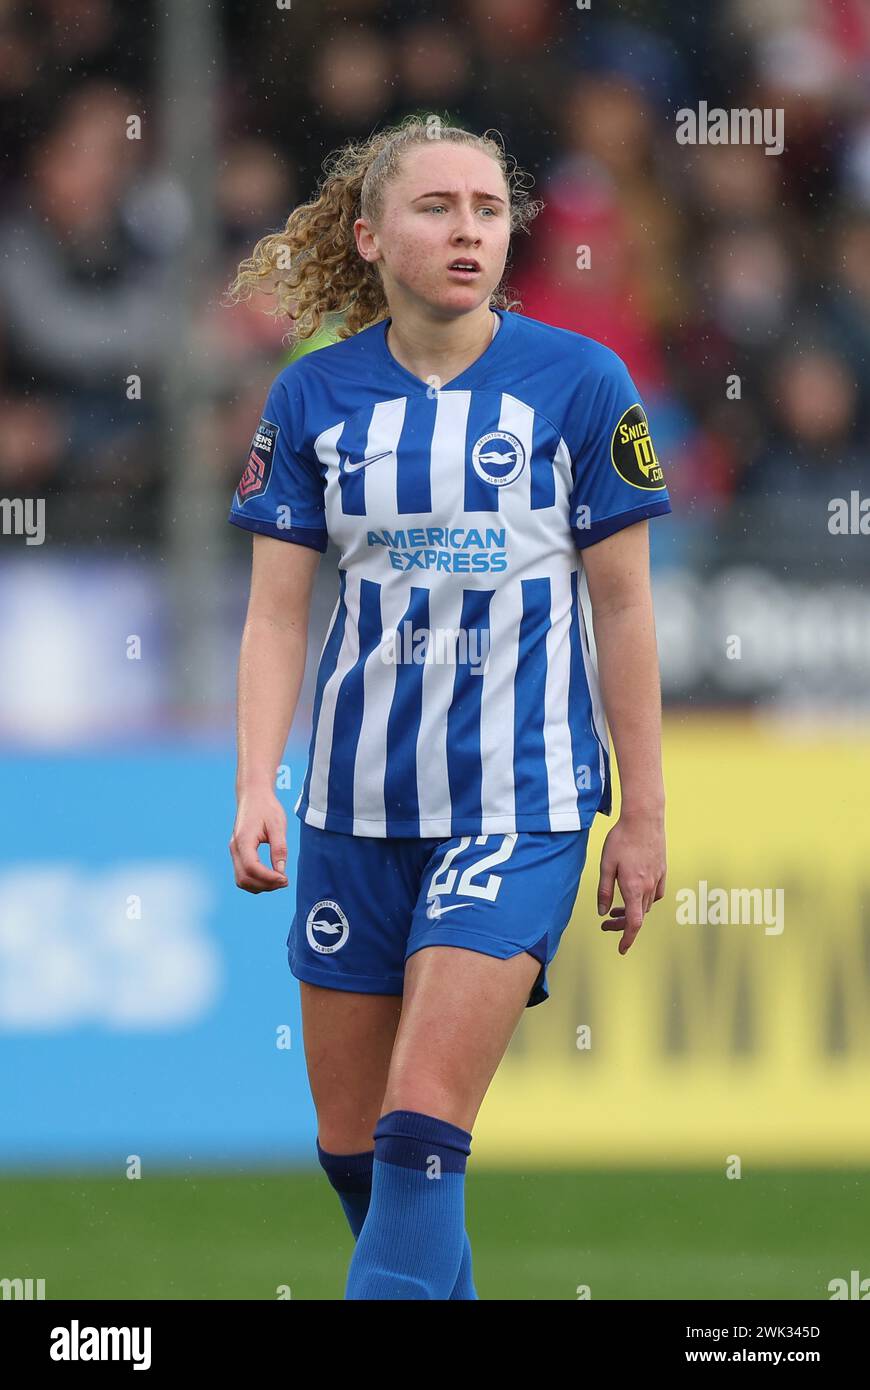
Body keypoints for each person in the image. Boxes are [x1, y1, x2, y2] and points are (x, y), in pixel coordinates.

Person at [224, 117, 670, 1300]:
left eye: (487, 206)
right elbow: (275, 614)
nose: (469, 227)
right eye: (437, 207)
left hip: (518, 809)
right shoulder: (313, 394)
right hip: (354, 809)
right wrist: (254, 785)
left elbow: (624, 610)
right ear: (370, 235)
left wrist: (643, 813)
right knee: (356, 1149)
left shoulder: (580, 385)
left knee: (423, 1129)